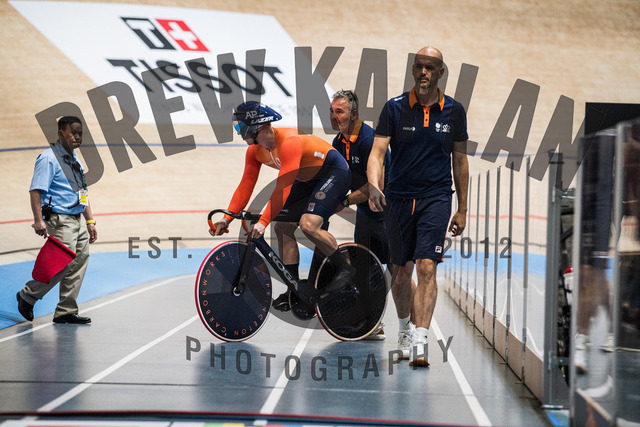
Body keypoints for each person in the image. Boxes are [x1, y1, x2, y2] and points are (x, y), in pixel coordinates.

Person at [367, 47, 469, 366]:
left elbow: (460, 161)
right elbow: (377, 153)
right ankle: (403, 332)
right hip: (398, 199)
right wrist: (373, 185)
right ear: (413, 70)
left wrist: (463, 208)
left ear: (440, 72)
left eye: (430, 67)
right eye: (419, 66)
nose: (423, 72)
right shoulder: (394, 108)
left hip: (436, 198)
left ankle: (421, 342)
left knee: (426, 266)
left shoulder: (454, 111)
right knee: (400, 273)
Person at [210, 101, 355, 303]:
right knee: (282, 228)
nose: (239, 132)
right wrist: (227, 219)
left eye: (241, 127)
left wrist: (263, 222)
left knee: (308, 225)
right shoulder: (254, 151)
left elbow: (283, 187)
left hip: (334, 173)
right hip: (306, 179)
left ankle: (346, 269)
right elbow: (246, 185)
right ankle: (293, 290)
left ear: (257, 126)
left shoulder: (289, 143)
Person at [16, 116, 98, 324]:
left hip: (77, 219)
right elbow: (36, 190)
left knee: (79, 262)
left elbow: (83, 191)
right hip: (60, 220)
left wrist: (90, 221)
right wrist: (38, 220)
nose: (77, 137)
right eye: (73, 133)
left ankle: (65, 311)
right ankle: (28, 295)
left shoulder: (75, 159)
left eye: (80, 133)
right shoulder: (48, 158)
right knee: (60, 264)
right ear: (61, 133)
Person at [330, 89, 392, 340]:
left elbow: (377, 187)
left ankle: (410, 325)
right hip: (366, 213)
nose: (334, 116)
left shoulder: (368, 141)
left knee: (397, 270)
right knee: (364, 269)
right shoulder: (338, 142)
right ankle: (373, 323)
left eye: (339, 111)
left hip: (389, 213)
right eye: (332, 111)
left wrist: (344, 201)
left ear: (354, 114)